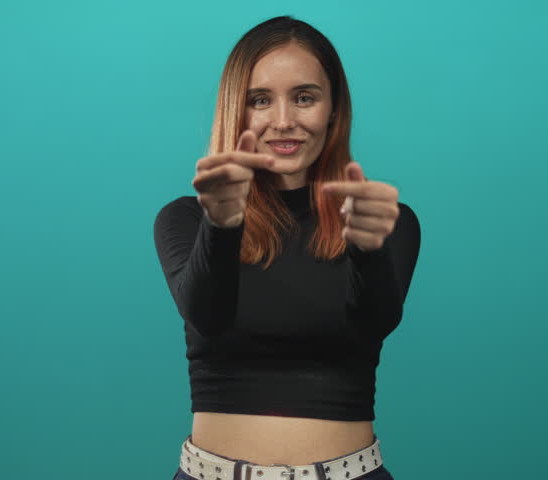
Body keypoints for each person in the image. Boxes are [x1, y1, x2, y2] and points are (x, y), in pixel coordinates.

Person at [154, 15, 421, 480]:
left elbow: (374, 324)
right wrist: (221, 226)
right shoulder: (186, 218)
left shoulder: (384, 220)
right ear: (237, 110)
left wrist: (366, 247)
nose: (284, 121)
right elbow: (206, 314)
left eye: (304, 97)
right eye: (261, 100)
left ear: (334, 108)